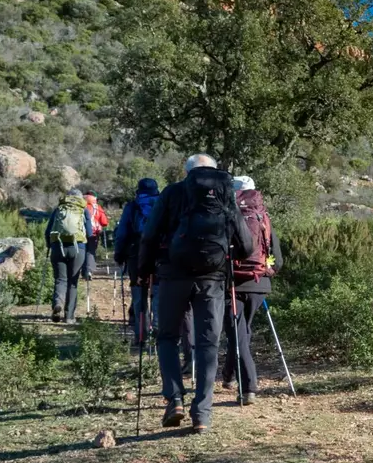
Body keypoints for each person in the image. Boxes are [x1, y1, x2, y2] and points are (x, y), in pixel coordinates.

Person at [137, 154, 252, 434]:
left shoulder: (173, 193)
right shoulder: (225, 193)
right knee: (207, 344)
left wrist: (143, 269)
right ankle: (202, 414)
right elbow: (246, 245)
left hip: (173, 275)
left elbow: (150, 235)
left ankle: (174, 399)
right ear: (214, 172)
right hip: (212, 279)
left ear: (187, 172)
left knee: (167, 336)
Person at [223, 175, 283, 405]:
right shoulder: (263, 217)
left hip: (232, 284)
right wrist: (266, 271)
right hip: (259, 285)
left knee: (238, 336)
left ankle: (249, 388)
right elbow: (277, 260)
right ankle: (228, 377)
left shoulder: (228, 214)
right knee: (240, 333)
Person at [113, 178, 160, 347]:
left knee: (139, 294)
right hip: (160, 254)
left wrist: (119, 253)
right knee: (157, 293)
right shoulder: (163, 204)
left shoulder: (132, 206)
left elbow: (122, 232)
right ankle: (158, 334)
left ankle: (141, 336)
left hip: (136, 255)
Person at [44, 189, 93, 322]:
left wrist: (50, 245)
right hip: (78, 248)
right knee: (73, 282)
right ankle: (69, 316)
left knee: (60, 279)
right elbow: (89, 233)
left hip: (58, 247)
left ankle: (57, 304)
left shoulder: (59, 209)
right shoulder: (83, 210)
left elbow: (48, 231)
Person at [83, 192, 110, 281]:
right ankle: (89, 271)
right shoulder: (97, 207)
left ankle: (82, 271)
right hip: (93, 233)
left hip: (80, 233)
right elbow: (104, 222)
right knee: (90, 252)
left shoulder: (80, 206)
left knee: (81, 251)